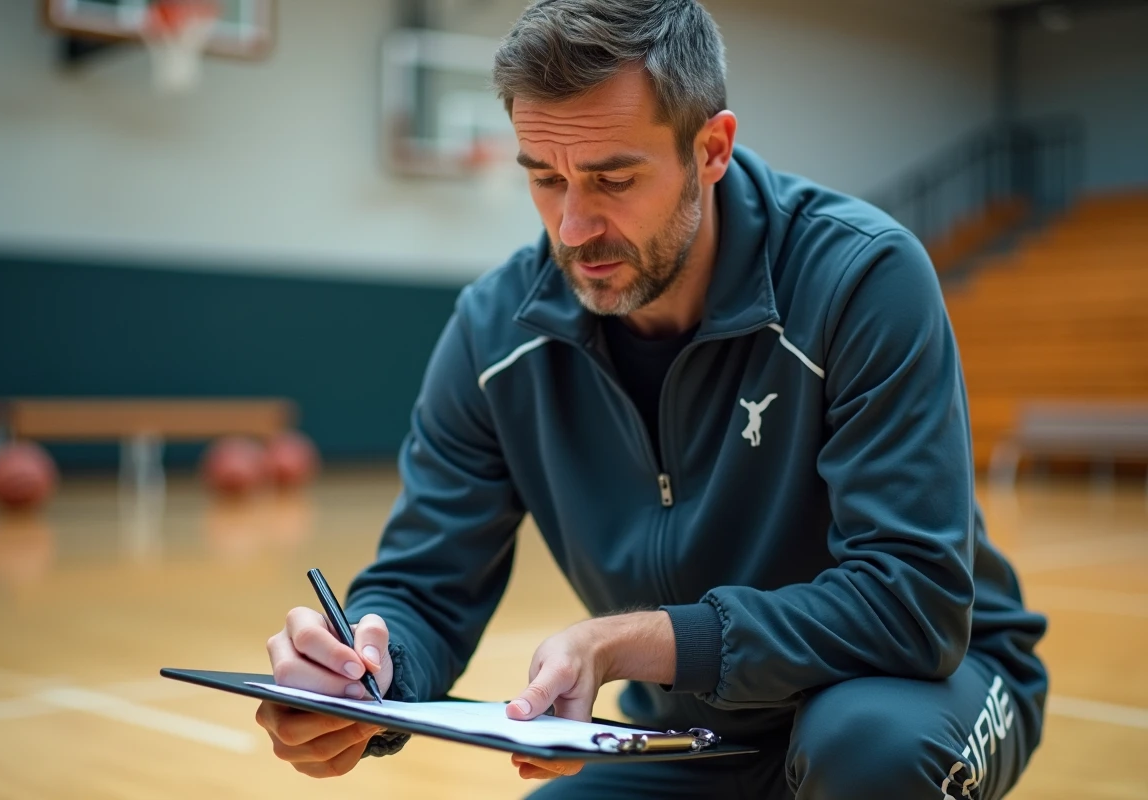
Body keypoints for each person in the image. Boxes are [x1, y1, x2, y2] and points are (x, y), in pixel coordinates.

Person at [253, 1, 1049, 797]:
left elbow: (912, 604)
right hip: (690, 738)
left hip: (928, 687)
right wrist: (367, 672)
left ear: (712, 149)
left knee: (867, 747)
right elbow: (424, 584)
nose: (572, 226)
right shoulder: (494, 335)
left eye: (613, 179)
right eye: (545, 177)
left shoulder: (860, 278)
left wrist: (632, 642)